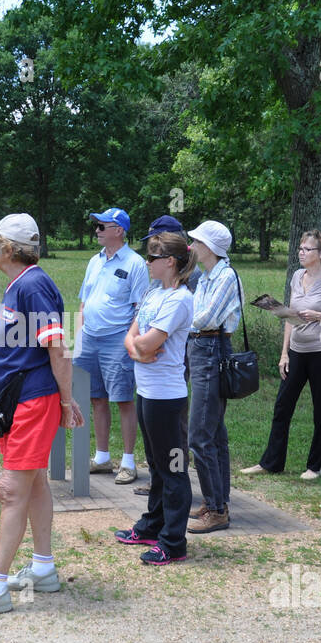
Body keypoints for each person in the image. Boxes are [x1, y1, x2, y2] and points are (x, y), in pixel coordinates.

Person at [0, 214, 83, 615]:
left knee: (11, 490)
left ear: (9, 249)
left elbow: (58, 348)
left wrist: (64, 401)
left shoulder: (34, 285)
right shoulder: (22, 285)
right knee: (35, 481)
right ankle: (43, 568)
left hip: (31, 402)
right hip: (20, 399)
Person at [244, 230, 321, 480]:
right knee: (282, 406)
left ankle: (313, 467)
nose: (301, 253)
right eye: (300, 248)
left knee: (320, 409)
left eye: (307, 249)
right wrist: (284, 353)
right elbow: (290, 316)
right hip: (296, 351)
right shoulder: (297, 276)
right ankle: (271, 463)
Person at [113, 232, 197, 564]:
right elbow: (132, 339)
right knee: (157, 467)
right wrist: (138, 352)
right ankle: (153, 525)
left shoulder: (179, 300)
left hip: (168, 397)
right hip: (147, 392)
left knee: (174, 468)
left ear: (170, 262)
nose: (147, 263)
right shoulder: (152, 293)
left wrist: (139, 349)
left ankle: (174, 541)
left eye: (152, 257)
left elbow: (147, 344)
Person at [74, 207, 149, 486]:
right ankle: (103, 457)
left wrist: (129, 341)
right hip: (90, 338)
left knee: (123, 399)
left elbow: (141, 309)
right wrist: (79, 336)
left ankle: (129, 462)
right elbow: (84, 301)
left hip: (118, 339)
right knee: (96, 398)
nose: (97, 230)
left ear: (119, 230)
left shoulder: (135, 263)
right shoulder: (94, 261)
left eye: (102, 226)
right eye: (97, 226)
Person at [184, 221, 241, 534]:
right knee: (214, 431)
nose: (192, 247)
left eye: (198, 242)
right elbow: (198, 313)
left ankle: (218, 510)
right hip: (202, 346)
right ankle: (217, 500)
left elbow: (205, 317)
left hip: (211, 348)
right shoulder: (208, 276)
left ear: (212, 248)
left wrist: (179, 319)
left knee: (200, 435)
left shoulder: (225, 276)